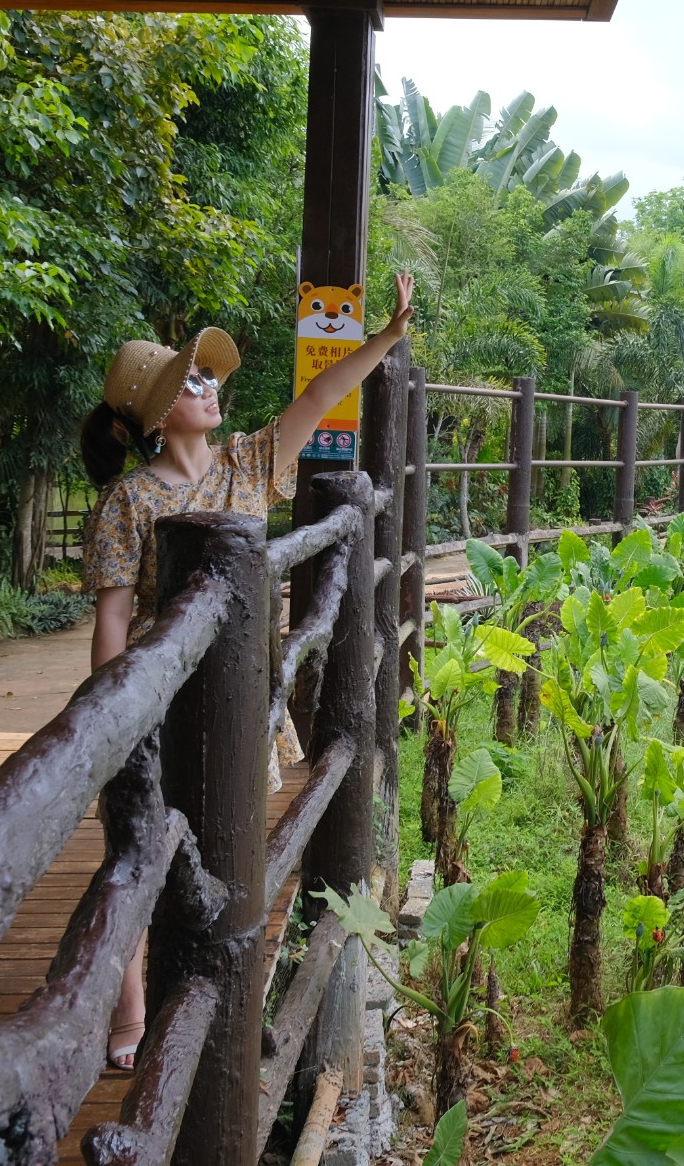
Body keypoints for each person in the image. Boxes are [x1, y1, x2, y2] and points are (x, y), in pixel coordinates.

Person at [78, 271, 413, 1070]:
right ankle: (130, 1020)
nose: (207, 386)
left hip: (235, 703)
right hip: (159, 701)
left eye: (204, 375)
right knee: (137, 852)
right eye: (188, 381)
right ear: (154, 416)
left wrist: (387, 337)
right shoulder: (127, 503)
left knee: (231, 853)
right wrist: (113, 718)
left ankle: (217, 1006)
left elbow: (317, 395)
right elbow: (114, 619)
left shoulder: (250, 464)